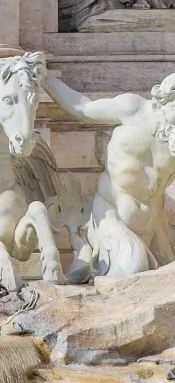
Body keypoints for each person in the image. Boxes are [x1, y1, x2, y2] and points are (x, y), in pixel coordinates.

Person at [44, 72, 175, 279]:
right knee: (133, 268)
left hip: (154, 226)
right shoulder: (134, 109)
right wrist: (45, 79)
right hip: (111, 215)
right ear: (163, 102)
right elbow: (83, 108)